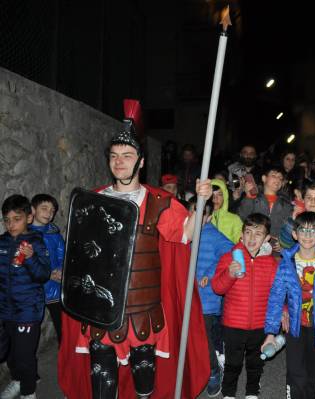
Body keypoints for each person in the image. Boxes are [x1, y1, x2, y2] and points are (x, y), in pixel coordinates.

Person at [58, 110, 212, 399]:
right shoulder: (93, 200)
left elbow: (185, 235)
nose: (119, 161)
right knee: (102, 388)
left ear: (140, 161)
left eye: (127, 155)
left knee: (145, 389)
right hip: (100, 312)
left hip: (144, 311)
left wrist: (200, 204)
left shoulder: (158, 202)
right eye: (114, 155)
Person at [263, 212, 315, 399]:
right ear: (295, 234)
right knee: (296, 375)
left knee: (312, 376)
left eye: (313, 231)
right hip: (295, 329)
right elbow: (276, 299)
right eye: (303, 230)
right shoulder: (286, 265)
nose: (308, 235)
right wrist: (270, 333)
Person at [211, 213, 279, 399]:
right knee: (233, 363)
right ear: (241, 234)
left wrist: (284, 312)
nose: (251, 238)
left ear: (266, 238)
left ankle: (251, 392)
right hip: (233, 324)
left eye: (258, 234)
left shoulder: (271, 263)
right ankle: (229, 393)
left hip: (260, 324)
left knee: (255, 362)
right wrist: (229, 275)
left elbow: (277, 294)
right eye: (248, 232)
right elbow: (217, 287)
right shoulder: (229, 258)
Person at [0, 194, 51, 399]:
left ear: (29, 218)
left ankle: (28, 393)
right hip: (6, 309)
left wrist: (30, 258)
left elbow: (43, 275)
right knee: (11, 355)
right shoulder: (2, 242)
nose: (11, 224)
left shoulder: (36, 243)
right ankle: (19, 380)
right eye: (7, 220)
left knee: (24, 356)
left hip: (28, 309)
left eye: (17, 218)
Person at [186, 198, 234, 398]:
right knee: (188, 337)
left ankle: (214, 371)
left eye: (200, 214)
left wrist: (213, 273)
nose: (195, 218)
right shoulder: (185, 234)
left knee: (204, 337)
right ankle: (196, 371)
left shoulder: (214, 236)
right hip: (187, 296)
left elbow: (233, 253)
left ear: (209, 216)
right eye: (191, 213)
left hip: (206, 299)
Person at [29, 193, 64, 345]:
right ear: (33, 210)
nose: (49, 213)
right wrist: (48, 274)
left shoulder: (54, 234)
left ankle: (66, 361)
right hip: (33, 288)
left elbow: (63, 255)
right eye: (44, 208)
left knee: (63, 328)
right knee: (30, 330)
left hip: (55, 287)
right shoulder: (25, 235)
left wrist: (62, 271)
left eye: (52, 211)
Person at [237, 166, 293, 247]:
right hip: (252, 246)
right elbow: (242, 217)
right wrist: (248, 197)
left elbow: (289, 229)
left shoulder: (286, 205)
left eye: (280, 178)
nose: (277, 180)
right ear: (264, 178)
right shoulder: (253, 199)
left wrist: (283, 243)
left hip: (274, 250)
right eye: (274, 176)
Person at [279, 182, 315, 250]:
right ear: (303, 200)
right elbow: (285, 244)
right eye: (309, 197)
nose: (313, 201)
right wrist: (293, 221)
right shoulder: (296, 216)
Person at [210, 179, 243, 243]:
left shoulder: (235, 220)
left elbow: (240, 245)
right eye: (212, 195)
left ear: (225, 196)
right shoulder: (201, 219)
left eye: (219, 194)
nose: (215, 198)